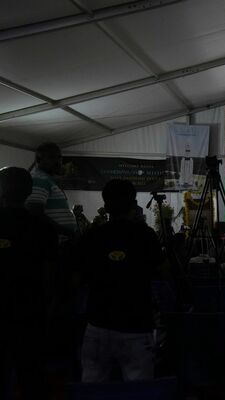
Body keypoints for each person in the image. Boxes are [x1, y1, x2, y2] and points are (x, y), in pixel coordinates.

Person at [74, 179, 165, 382]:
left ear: (106, 207)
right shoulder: (145, 235)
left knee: (94, 388)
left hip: (98, 324)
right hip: (137, 325)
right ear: (133, 205)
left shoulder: (92, 236)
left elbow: (77, 277)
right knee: (138, 390)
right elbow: (162, 270)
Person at [0, 167, 57, 400]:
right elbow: (50, 274)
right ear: (30, 191)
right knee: (31, 378)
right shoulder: (42, 226)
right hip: (31, 312)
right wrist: (48, 307)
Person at [25, 143, 77, 239]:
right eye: (51, 157)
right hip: (51, 242)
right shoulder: (38, 179)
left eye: (59, 157)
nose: (58, 161)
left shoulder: (46, 179)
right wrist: (67, 232)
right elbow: (35, 213)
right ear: (39, 160)